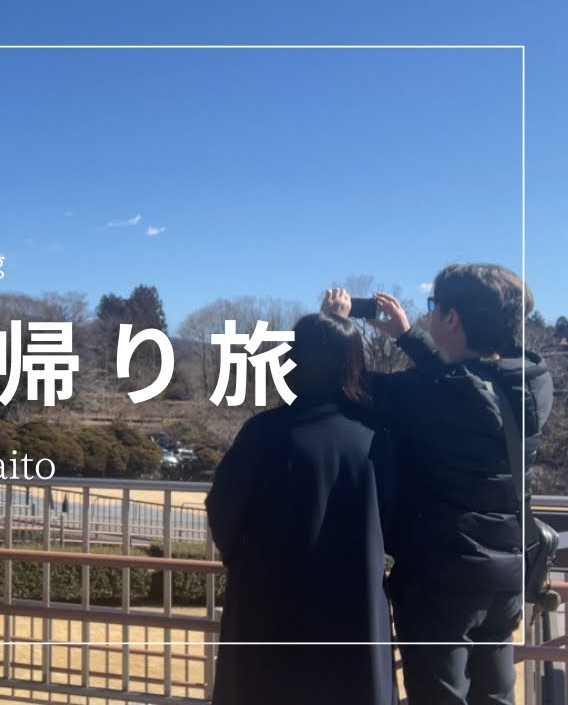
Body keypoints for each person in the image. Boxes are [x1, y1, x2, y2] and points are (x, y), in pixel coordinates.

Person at [322, 263, 554, 705]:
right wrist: (408, 338)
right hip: (507, 572)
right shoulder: (532, 381)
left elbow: (348, 387)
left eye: (435, 306)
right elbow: (470, 384)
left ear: (452, 318)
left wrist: (332, 328)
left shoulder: (427, 393)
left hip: (442, 577)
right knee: (496, 695)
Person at [206, 312, 396, 705]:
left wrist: (245, 560)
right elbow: (397, 520)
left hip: (268, 599)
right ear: (354, 364)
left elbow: (223, 508)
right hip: (354, 602)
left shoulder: (263, 433)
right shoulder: (374, 438)